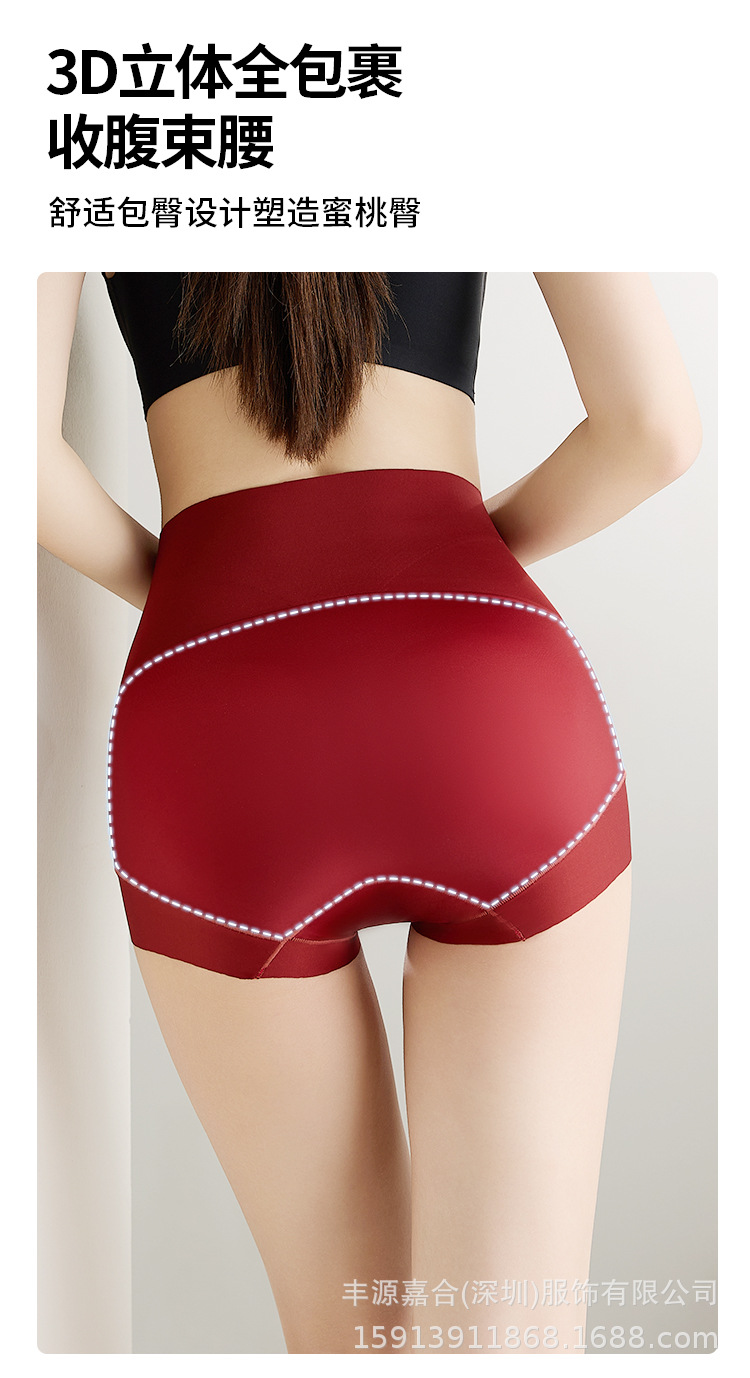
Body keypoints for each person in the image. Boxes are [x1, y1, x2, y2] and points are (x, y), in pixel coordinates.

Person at [37, 272, 702, 1354]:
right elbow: (655, 429)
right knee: (511, 1343)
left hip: (213, 714)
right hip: (485, 689)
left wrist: (195, 595)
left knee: (348, 1337)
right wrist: (455, 561)